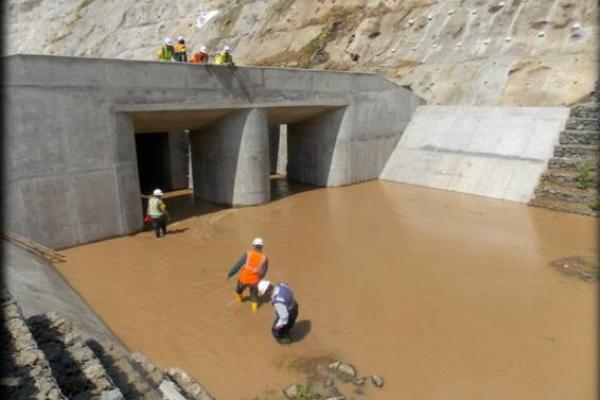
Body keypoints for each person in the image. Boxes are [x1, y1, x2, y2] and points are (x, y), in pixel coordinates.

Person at [226, 238, 268, 312]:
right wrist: (259, 279)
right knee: (254, 296)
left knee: (239, 291)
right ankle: (254, 311)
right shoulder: (264, 258)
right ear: (262, 247)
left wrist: (230, 274)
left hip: (243, 279)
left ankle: (239, 303)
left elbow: (238, 265)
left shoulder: (248, 254)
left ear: (254, 246)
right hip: (255, 281)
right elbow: (263, 272)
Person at [257, 280, 299, 344]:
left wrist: (277, 326)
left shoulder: (278, 301)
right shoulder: (281, 285)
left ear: (266, 292)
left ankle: (284, 339)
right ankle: (287, 329)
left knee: (275, 330)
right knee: (290, 323)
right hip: (294, 305)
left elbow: (284, 316)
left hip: (289, 312)